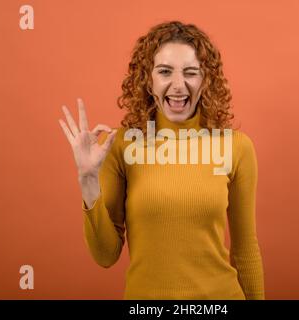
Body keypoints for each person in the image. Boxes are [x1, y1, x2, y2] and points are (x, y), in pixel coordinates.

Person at [58, 21, 265, 300]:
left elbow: (246, 249)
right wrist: (88, 179)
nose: (178, 86)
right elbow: (105, 255)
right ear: (148, 79)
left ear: (206, 81)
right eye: (165, 71)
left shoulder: (236, 147)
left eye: (191, 72)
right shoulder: (122, 146)